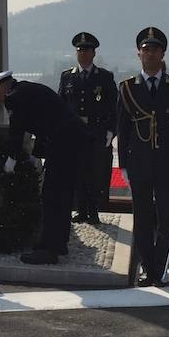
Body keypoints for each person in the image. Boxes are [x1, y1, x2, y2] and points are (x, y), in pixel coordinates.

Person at [0, 70, 91, 265]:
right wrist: (35, 155)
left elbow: (17, 130)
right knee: (62, 195)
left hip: (65, 146)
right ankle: (58, 243)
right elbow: (45, 122)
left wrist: (12, 159)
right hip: (73, 143)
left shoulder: (14, 97)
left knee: (52, 196)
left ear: (1, 87)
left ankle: (49, 249)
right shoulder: (27, 90)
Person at [117, 27, 169, 287]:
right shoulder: (127, 88)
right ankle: (146, 267)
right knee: (142, 219)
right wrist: (124, 166)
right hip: (139, 164)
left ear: (163, 54)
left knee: (166, 218)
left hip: (168, 164)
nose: (150, 54)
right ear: (139, 53)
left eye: (155, 49)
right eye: (146, 49)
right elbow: (123, 129)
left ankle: (159, 269)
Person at [58, 32, 117, 224]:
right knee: (78, 171)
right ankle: (80, 210)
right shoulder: (67, 77)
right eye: (80, 50)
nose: (83, 54)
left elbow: (113, 106)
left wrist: (111, 130)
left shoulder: (105, 77)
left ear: (93, 53)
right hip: (75, 131)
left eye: (86, 51)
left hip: (96, 131)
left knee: (96, 172)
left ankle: (94, 211)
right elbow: (61, 105)